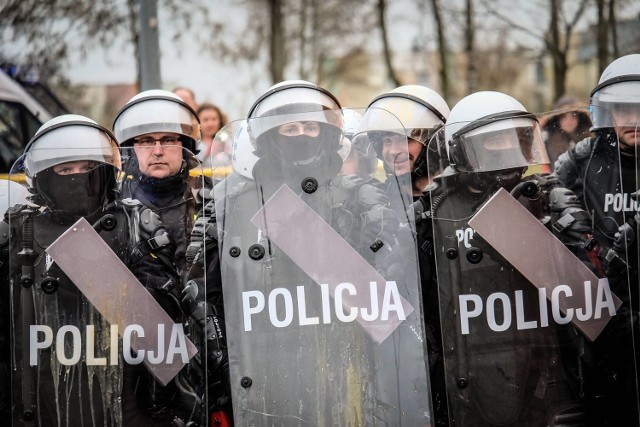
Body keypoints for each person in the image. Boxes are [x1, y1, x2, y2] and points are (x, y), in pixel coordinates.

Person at [212, 80, 432, 425]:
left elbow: (392, 300)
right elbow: (206, 294)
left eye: (311, 127)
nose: (302, 135)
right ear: (269, 138)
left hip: (347, 373)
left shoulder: (362, 197)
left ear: (329, 135)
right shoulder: (233, 206)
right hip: (266, 377)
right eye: (290, 128)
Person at [0, 114, 201, 426]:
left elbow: (164, 335)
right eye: (64, 170)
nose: (77, 178)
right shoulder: (18, 232)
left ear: (108, 173)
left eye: (88, 168)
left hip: (125, 394)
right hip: (42, 397)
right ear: (42, 178)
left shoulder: (136, 226)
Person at [428, 91, 601, 425]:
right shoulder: (435, 212)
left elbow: (593, 305)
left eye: (516, 139)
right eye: (493, 142)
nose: (507, 151)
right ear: (460, 151)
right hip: (468, 380)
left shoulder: (548, 200)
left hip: (543, 379)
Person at [113, 90, 231, 424]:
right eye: (146, 141)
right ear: (130, 149)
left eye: (168, 140)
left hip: (211, 368)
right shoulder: (111, 212)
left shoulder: (217, 203)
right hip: (136, 372)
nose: (158, 150)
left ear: (186, 146)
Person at [553, 54, 640, 425]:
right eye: (625, 110)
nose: (635, 120)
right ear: (608, 113)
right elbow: (546, 196)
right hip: (602, 309)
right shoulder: (581, 160)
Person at [363, 84, 450, 426]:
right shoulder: (369, 203)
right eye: (385, 141)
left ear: (433, 141)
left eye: (405, 139)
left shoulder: (460, 198)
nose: (393, 149)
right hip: (401, 354)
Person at [539, 95, 592, 168]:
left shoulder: (588, 140)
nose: (569, 121)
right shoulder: (549, 142)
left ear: (579, 118)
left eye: (573, 116)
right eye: (564, 117)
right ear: (558, 120)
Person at [196, 103, 230, 167]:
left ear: (220, 121)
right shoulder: (195, 146)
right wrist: (207, 154)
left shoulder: (228, 143)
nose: (210, 124)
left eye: (214, 119)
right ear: (198, 123)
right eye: (205, 120)